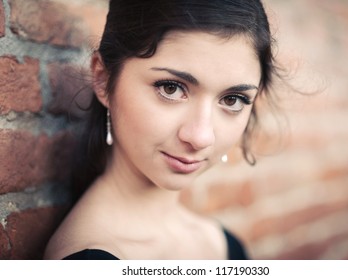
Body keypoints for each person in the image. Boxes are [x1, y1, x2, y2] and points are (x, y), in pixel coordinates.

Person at [44, 0, 278, 260]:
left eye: (233, 99)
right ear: (103, 79)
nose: (201, 137)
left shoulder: (225, 246)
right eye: (171, 88)